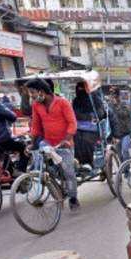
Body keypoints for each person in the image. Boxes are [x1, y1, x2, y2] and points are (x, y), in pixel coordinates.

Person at [26, 77, 80, 210]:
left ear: (42, 91)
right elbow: (36, 126)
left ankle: (73, 198)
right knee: (40, 166)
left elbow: (72, 123)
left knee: (69, 173)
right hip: (48, 142)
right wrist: (32, 144)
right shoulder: (36, 105)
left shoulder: (63, 103)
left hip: (64, 144)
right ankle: (53, 187)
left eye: (32, 92)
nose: (31, 96)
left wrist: (66, 140)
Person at [0, 77, 29, 174]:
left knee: (6, 149)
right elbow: (13, 117)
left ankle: (8, 171)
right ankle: (20, 171)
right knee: (24, 147)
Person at [72, 81, 105, 167]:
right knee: (76, 141)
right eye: (79, 89)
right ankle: (78, 163)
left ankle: (89, 163)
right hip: (79, 127)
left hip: (92, 129)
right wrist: (87, 117)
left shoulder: (95, 99)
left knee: (87, 141)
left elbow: (101, 113)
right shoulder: (76, 100)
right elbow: (74, 113)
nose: (80, 91)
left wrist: (92, 117)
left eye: (82, 89)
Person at [109, 87, 131, 162]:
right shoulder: (109, 106)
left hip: (125, 133)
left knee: (125, 151)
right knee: (119, 154)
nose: (113, 98)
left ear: (118, 96)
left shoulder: (124, 104)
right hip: (116, 134)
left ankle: (127, 171)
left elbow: (125, 114)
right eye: (112, 95)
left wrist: (117, 107)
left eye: (115, 96)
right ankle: (123, 169)